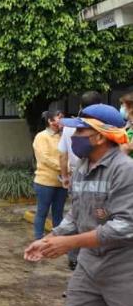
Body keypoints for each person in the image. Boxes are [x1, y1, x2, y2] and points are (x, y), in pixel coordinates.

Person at [24, 104, 133, 306]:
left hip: (124, 266)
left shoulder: (125, 171)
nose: (74, 137)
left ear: (100, 137)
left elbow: (125, 227)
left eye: (81, 131)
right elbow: (76, 215)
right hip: (89, 265)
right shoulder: (82, 168)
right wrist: (50, 239)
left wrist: (71, 243)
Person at [58, 91, 103, 270]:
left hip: (80, 174)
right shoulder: (105, 127)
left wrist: (65, 177)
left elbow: (63, 155)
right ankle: (79, 259)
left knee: (90, 217)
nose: (76, 134)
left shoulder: (120, 169)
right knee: (82, 215)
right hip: (82, 174)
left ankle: (76, 258)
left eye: (80, 131)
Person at [32, 110, 66, 241]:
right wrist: (63, 168)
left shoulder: (64, 136)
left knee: (58, 213)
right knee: (42, 212)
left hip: (62, 182)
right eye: (59, 118)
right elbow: (45, 158)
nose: (62, 121)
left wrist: (67, 170)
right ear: (50, 121)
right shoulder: (41, 137)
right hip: (45, 182)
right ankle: (38, 239)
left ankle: (57, 240)